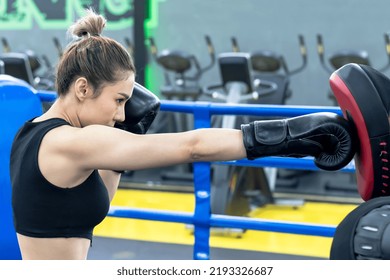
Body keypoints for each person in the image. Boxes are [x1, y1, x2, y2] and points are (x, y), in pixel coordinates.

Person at [9, 8, 356, 260]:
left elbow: (91, 208)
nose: (120, 113)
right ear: (83, 88)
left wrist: (121, 146)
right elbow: (192, 146)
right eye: (117, 101)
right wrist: (293, 135)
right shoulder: (69, 142)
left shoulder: (34, 134)